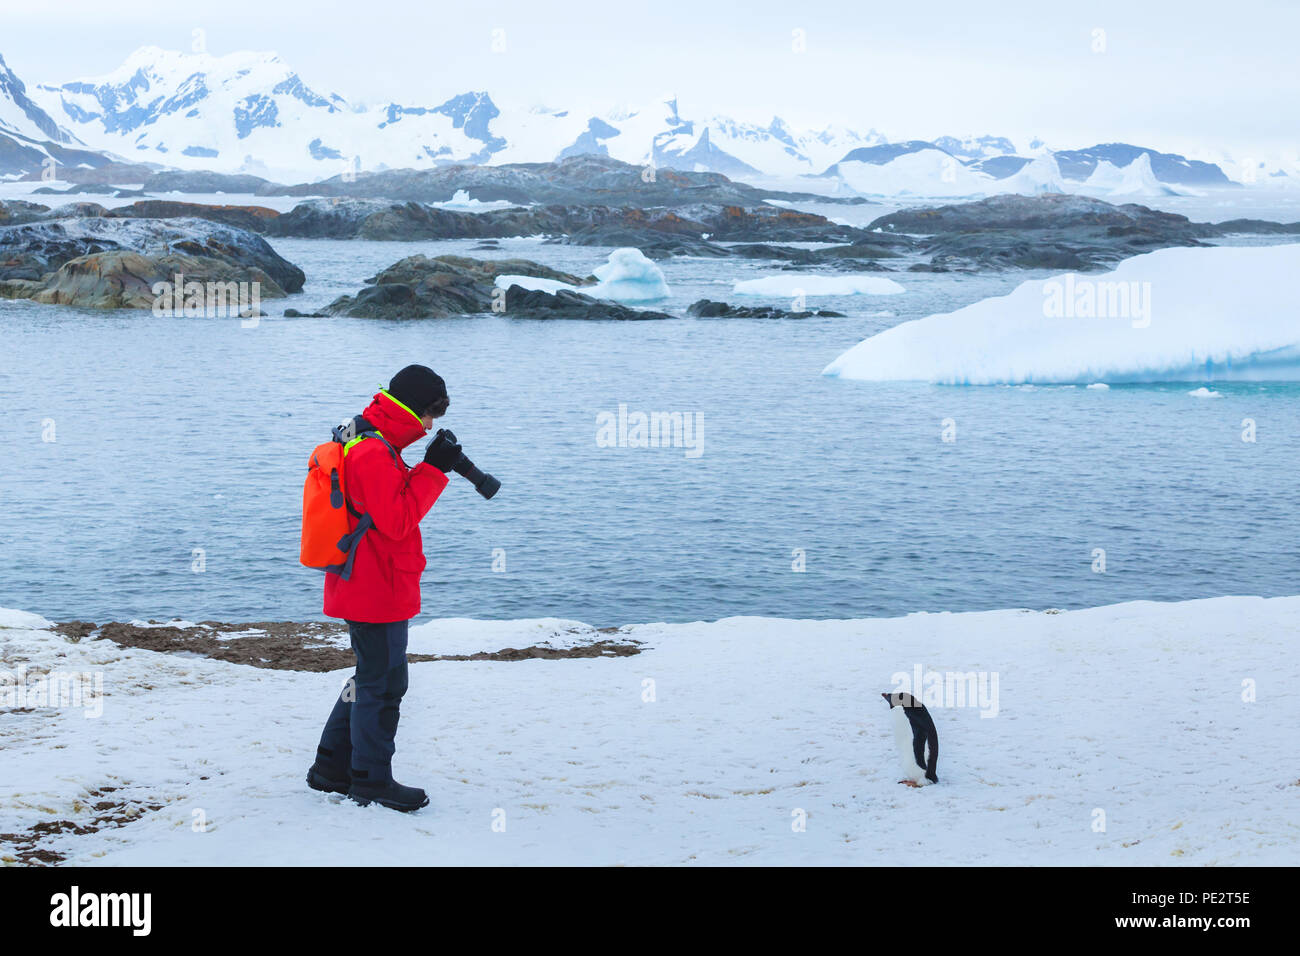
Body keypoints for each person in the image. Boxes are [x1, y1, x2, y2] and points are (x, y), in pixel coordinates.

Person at [306, 365, 465, 812]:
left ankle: (330, 770)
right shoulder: (373, 452)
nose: (430, 425)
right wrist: (433, 471)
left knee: (370, 677)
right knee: (383, 683)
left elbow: (382, 508)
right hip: (376, 586)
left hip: (368, 581)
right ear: (413, 410)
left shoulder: (370, 438)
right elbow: (396, 522)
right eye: (430, 415)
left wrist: (424, 469)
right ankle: (371, 781)